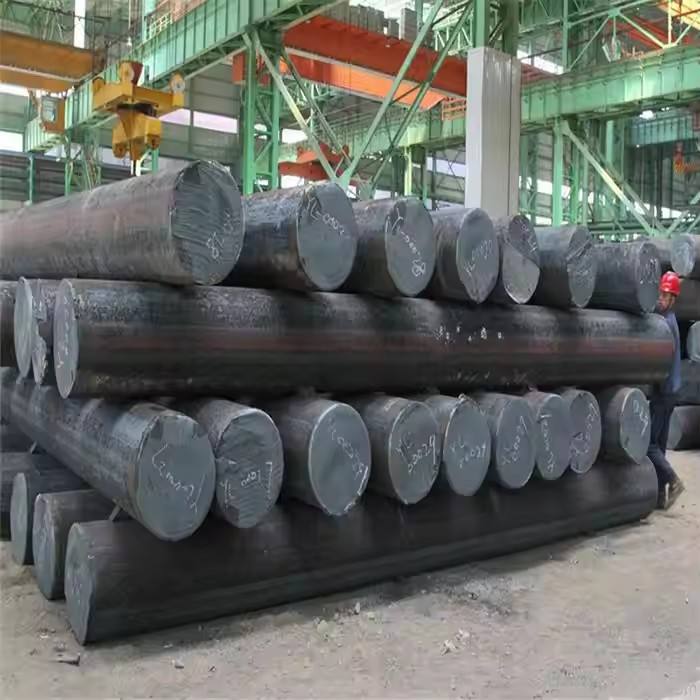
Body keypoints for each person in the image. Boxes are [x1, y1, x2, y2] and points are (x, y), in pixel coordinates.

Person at [648, 271, 685, 509]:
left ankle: (673, 479)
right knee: (660, 445)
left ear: (673, 299)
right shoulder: (669, 319)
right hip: (672, 391)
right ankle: (661, 496)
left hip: (664, 391)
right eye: (661, 294)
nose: (661, 299)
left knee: (650, 445)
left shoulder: (666, 324)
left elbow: (663, 360)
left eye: (666, 295)